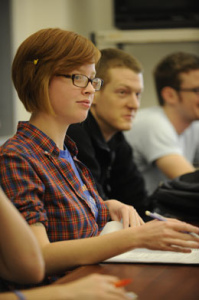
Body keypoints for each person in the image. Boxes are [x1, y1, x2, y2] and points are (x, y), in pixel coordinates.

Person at [0, 28, 199, 287]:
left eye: (93, 80)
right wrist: (137, 237)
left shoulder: (68, 152)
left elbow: (62, 217)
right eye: (78, 78)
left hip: (95, 282)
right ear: (40, 78)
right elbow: (38, 257)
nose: (90, 90)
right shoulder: (17, 158)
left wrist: (104, 207)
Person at [0, 187, 131, 300]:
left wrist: (103, 205)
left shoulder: (69, 159)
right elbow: (32, 265)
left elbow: (31, 266)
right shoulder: (15, 159)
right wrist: (134, 237)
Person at [67, 48, 148, 218]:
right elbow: (96, 211)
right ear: (94, 92)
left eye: (138, 94)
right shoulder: (74, 133)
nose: (134, 104)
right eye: (122, 92)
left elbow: (137, 202)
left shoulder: (117, 139)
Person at [125, 52, 199, 195]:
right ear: (170, 95)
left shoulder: (192, 124)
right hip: (141, 214)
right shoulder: (153, 124)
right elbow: (193, 186)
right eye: (197, 90)